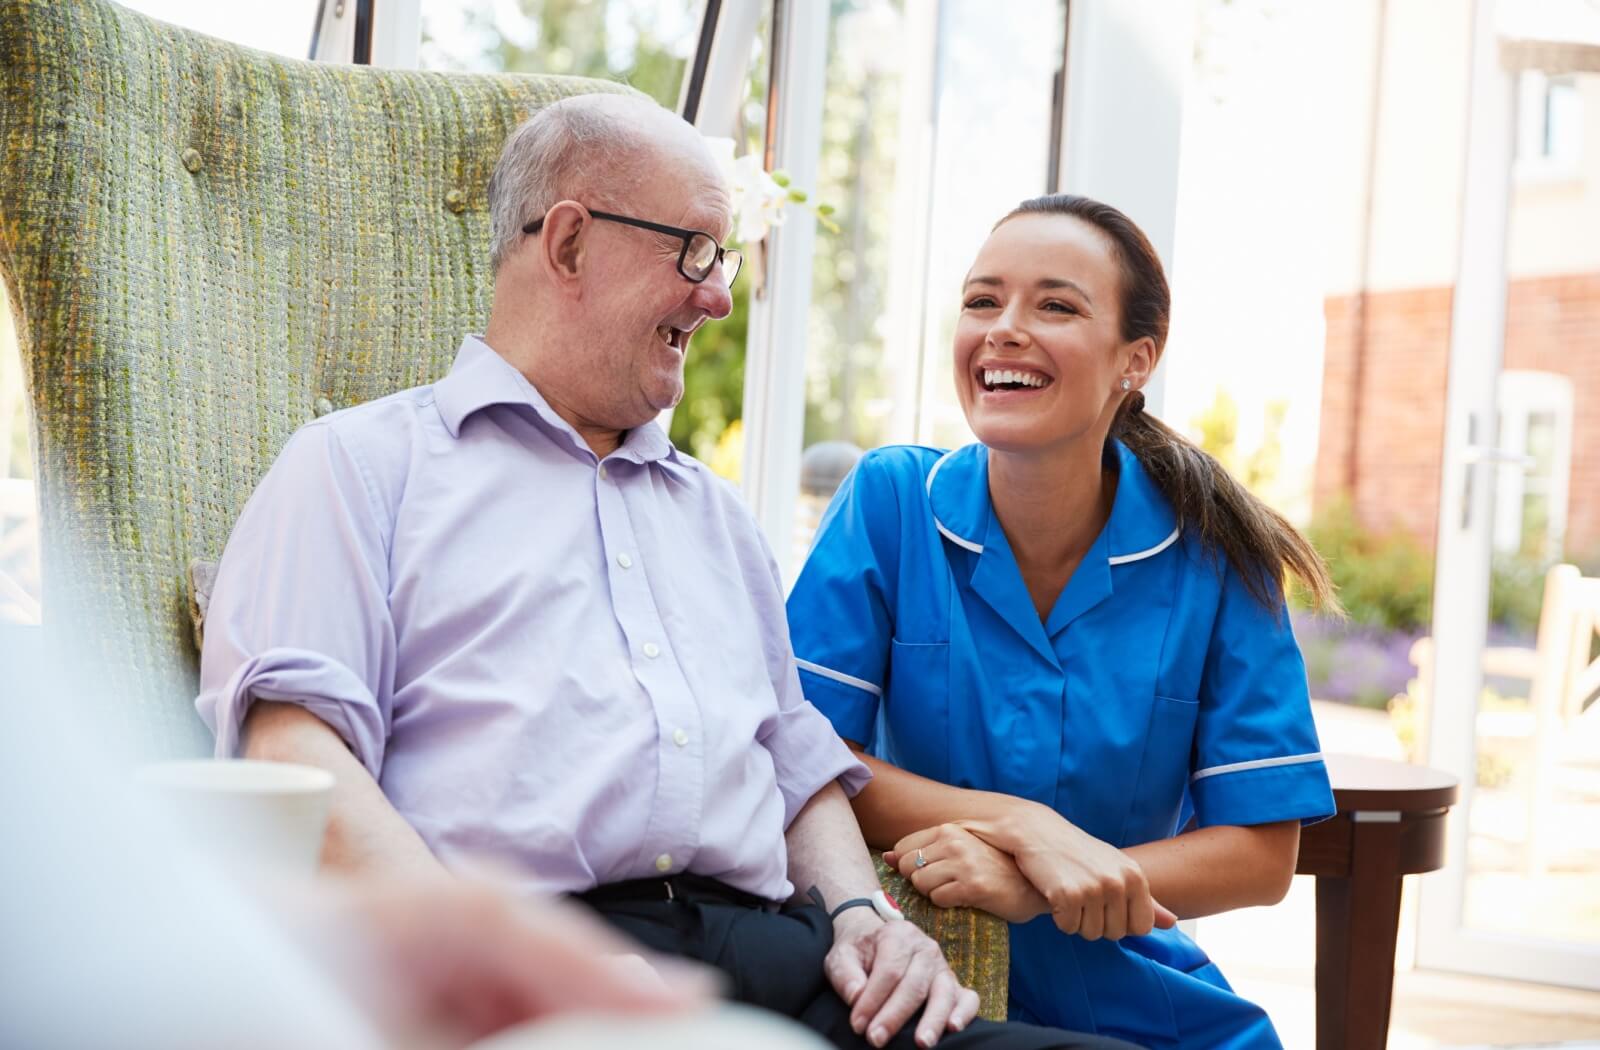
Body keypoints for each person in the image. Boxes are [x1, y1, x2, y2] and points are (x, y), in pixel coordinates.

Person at [194, 95, 1130, 1050]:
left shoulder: (714, 516)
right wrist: (493, 964)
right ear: (567, 244)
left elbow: (796, 768)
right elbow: (293, 757)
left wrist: (863, 921)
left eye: (721, 261)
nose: (717, 297)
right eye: (694, 252)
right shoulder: (357, 467)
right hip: (537, 976)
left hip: (789, 970)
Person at [785, 193, 1341, 1049]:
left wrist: (1035, 881)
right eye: (982, 300)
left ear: (1136, 359)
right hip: (923, 964)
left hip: (1135, 983)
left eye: (1055, 305)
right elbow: (810, 758)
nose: (1004, 328)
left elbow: (1263, 854)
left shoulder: (1219, 556)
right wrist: (1024, 824)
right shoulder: (891, 502)